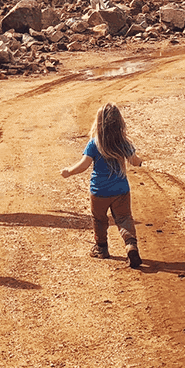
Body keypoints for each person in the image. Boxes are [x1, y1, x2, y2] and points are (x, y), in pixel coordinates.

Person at [61, 102, 144, 268]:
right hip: (121, 190)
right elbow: (134, 161)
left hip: (99, 192)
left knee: (99, 219)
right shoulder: (124, 143)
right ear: (119, 123)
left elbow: (84, 165)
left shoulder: (94, 143)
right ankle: (131, 245)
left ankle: (101, 248)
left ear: (99, 124)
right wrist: (139, 161)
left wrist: (69, 171)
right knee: (124, 218)